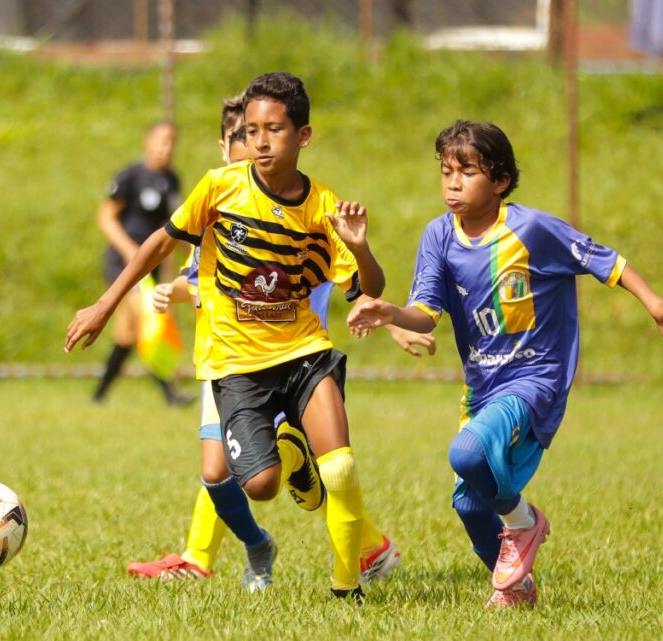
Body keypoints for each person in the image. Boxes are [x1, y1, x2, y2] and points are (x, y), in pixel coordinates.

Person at [67, 72, 393, 601]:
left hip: (305, 354)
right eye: (252, 129)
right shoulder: (220, 188)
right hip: (237, 366)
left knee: (342, 465)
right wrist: (105, 305)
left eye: (275, 130)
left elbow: (368, 287)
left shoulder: (322, 206)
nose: (260, 141)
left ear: (303, 136)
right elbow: (156, 243)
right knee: (259, 486)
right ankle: (286, 463)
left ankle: (346, 586)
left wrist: (360, 247)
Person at [347, 120, 663, 609]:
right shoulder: (437, 237)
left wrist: (656, 304)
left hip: (536, 378)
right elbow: (425, 314)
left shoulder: (531, 229)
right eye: (446, 171)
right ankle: (514, 590)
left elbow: (604, 260)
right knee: (468, 503)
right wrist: (387, 311)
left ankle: (523, 522)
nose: (452, 182)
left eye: (466, 172)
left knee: (466, 454)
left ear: (501, 181)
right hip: (483, 386)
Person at [128, 96, 434, 587]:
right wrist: (174, 289)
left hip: (294, 356)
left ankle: (352, 556)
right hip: (227, 359)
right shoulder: (218, 204)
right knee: (229, 472)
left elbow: (349, 281)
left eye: (265, 136)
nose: (254, 149)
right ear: (227, 147)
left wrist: (392, 320)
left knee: (331, 467)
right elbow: (197, 274)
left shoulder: (300, 208)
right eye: (244, 138)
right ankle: (230, 548)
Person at [93, 120, 191, 405]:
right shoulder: (131, 176)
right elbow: (105, 217)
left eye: (171, 141)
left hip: (150, 268)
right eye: (161, 140)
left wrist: (195, 250)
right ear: (147, 141)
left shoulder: (172, 180)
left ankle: (99, 395)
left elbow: (173, 227)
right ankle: (170, 393)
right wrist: (129, 251)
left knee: (127, 333)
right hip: (122, 264)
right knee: (150, 320)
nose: (166, 147)